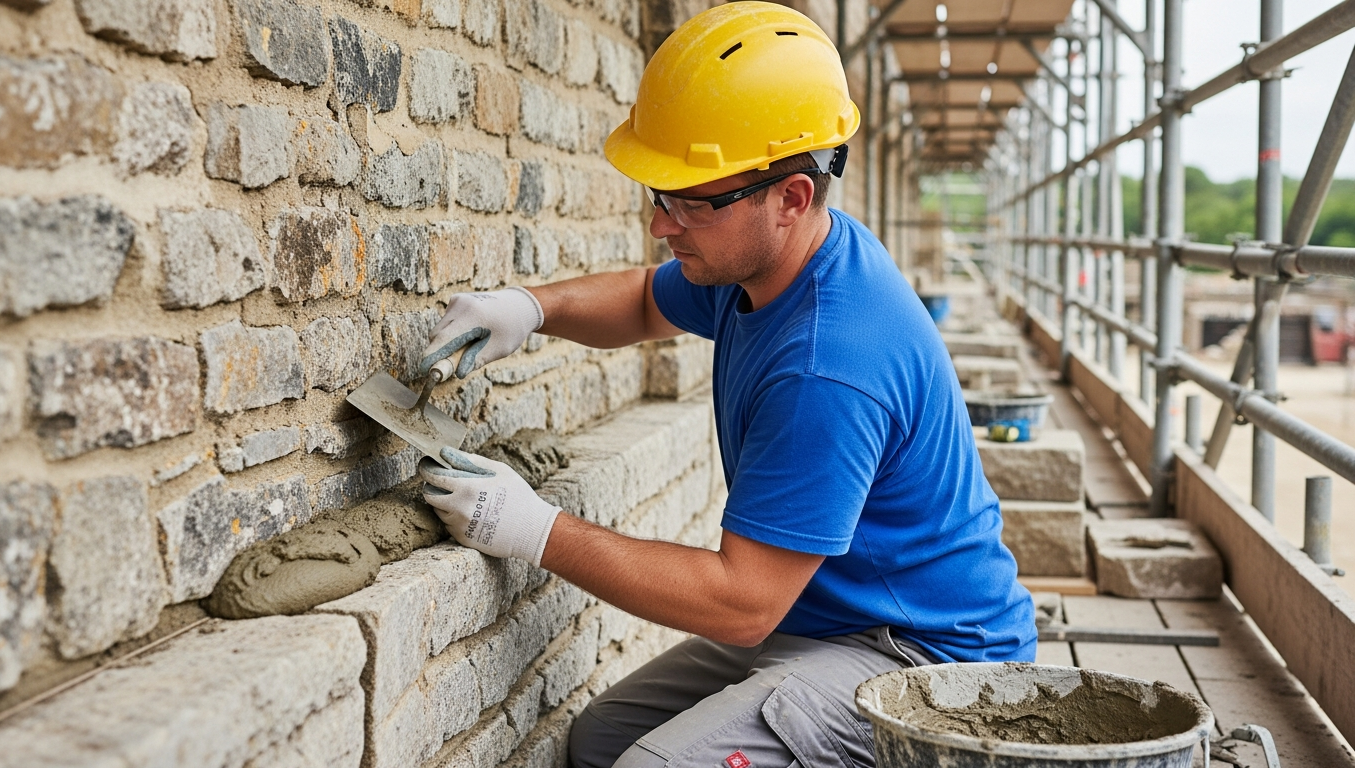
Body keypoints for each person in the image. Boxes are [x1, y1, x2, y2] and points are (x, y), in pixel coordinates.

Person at [416, 3, 1036, 766]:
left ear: (792, 197)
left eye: (688, 204)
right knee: (602, 743)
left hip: (924, 661)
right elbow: (647, 299)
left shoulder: (829, 365)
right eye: (659, 196)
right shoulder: (769, 259)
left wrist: (533, 529)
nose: (662, 225)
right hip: (826, 621)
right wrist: (530, 308)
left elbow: (741, 603)